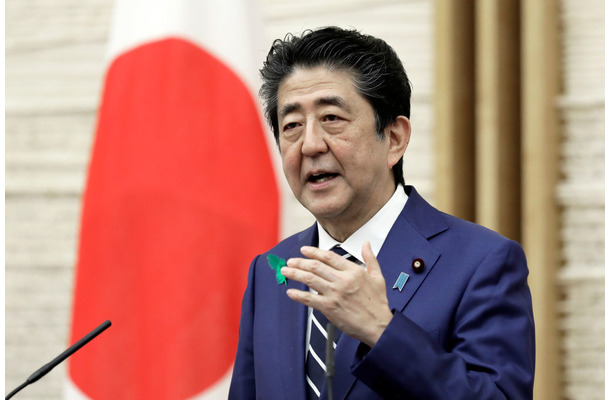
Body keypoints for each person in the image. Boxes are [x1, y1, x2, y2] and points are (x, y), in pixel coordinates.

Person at [229, 26, 535, 399]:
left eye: (332, 119)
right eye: (291, 125)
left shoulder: (481, 262)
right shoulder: (271, 270)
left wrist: (382, 331)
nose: (309, 144)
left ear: (394, 139)